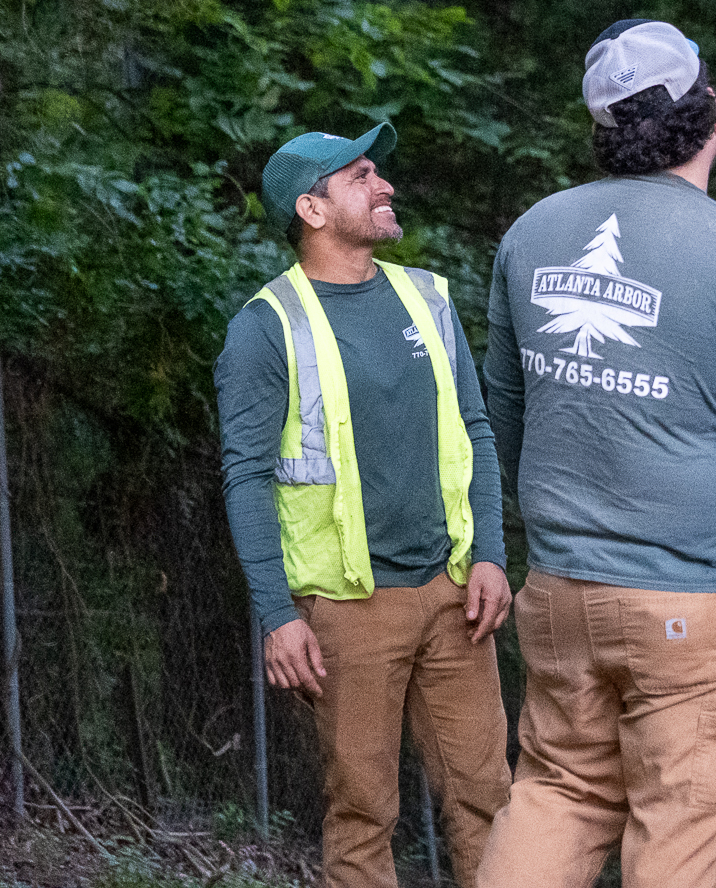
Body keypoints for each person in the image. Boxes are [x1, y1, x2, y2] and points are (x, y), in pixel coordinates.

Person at [477, 19, 716, 888]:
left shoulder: (531, 234)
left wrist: (558, 534)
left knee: (555, 793)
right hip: (698, 605)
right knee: (682, 841)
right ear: (710, 112)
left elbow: (506, 413)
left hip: (563, 593)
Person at [217, 123, 512, 888]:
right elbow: (245, 475)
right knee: (362, 811)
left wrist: (490, 554)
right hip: (347, 608)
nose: (384, 188)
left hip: (455, 594)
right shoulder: (265, 326)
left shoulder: (428, 298)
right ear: (312, 211)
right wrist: (278, 613)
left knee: (489, 799)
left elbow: (474, 429)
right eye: (361, 177)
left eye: (378, 172)